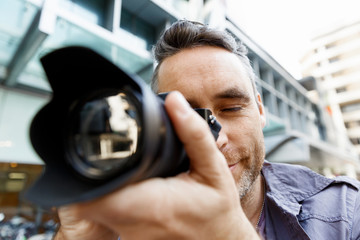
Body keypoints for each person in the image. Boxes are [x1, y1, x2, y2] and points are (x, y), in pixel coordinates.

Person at [53, 20, 360, 240]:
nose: (215, 139)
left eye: (231, 108)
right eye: (185, 114)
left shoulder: (345, 211)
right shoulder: (126, 223)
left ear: (261, 110)